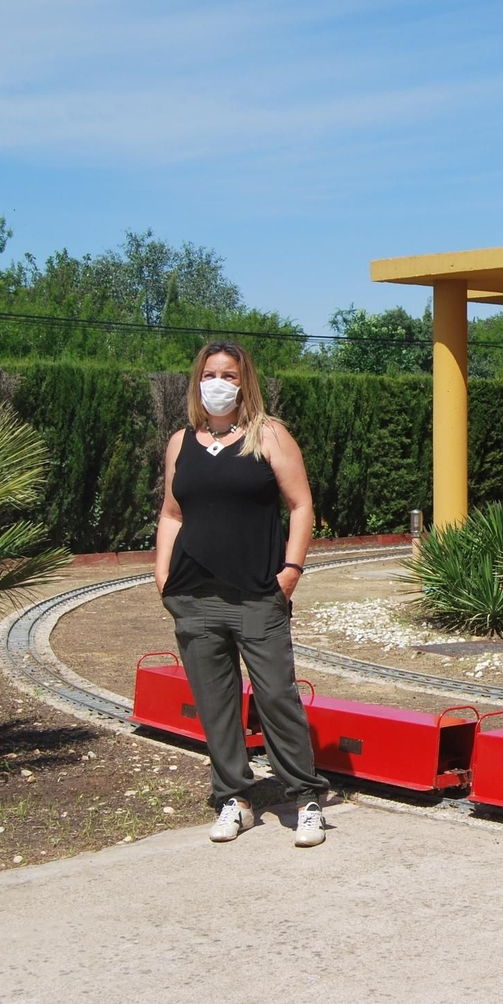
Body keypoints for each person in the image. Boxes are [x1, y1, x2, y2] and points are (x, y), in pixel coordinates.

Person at [155, 342, 331, 847]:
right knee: (216, 702)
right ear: (197, 381)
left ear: (243, 381)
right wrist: (162, 574)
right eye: (209, 373)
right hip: (193, 593)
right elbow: (172, 513)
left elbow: (301, 506)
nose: (217, 382)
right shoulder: (180, 443)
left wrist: (291, 570)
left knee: (276, 694)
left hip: (258, 592)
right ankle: (235, 796)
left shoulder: (269, 436)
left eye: (228, 374)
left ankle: (305, 798)